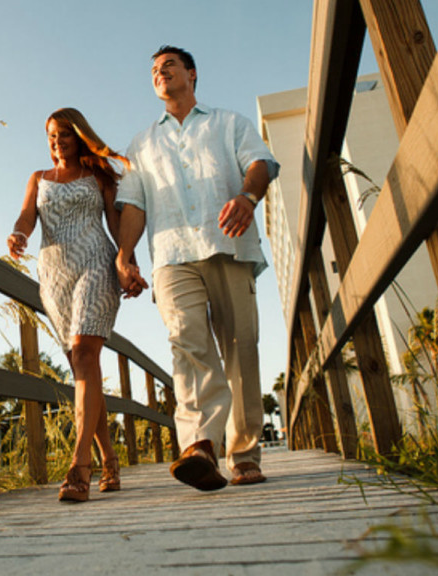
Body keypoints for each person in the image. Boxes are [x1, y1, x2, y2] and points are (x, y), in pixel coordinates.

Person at [115, 46, 280, 491]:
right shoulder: (142, 143)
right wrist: (125, 255)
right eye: (153, 70)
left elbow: (260, 165)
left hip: (228, 245)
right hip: (171, 255)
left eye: (168, 66)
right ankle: (201, 446)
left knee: (240, 348)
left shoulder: (228, 123)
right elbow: (132, 202)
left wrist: (247, 197)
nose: (160, 73)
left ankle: (243, 454)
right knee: (186, 342)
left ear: (191, 73)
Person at [8, 108, 132, 503]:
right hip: (54, 276)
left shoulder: (98, 176)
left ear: (79, 136)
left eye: (63, 134)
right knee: (82, 367)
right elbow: (28, 216)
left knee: (83, 353)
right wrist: (17, 234)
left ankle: (80, 466)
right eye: (50, 135)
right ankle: (109, 459)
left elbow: (116, 227)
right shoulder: (38, 178)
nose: (56, 141)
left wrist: (126, 263)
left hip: (95, 262)